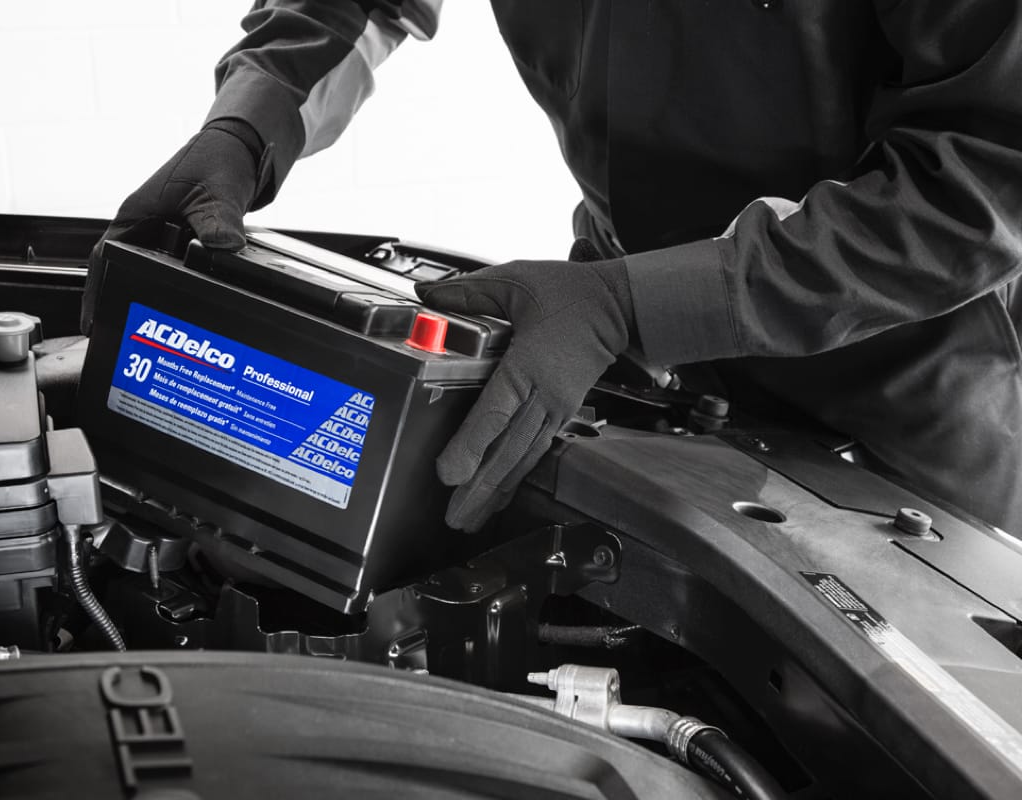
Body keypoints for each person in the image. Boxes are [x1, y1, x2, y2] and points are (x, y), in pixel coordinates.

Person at [82, 1, 1022, 535]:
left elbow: (983, 176)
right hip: (612, 335)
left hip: (898, 396)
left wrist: (636, 304)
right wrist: (256, 115)